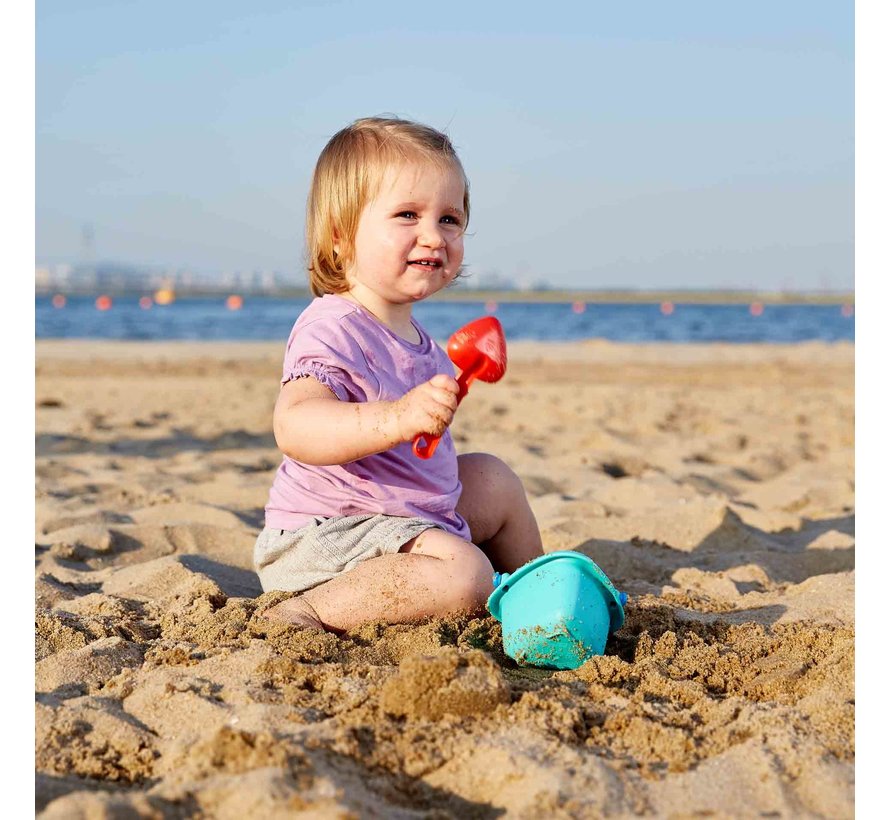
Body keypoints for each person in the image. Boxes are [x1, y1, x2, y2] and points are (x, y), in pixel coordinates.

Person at [256, 116, 543, 631]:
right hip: (327, 537)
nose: (433, 236)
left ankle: (535, 593)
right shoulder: (333, 325)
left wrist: (420, 417)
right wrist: (396, 417)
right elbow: (295, 426)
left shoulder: (423, 344)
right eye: (408, 214)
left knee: (495, 478)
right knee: (465, 576)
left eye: (450, 220)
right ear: (341, 238)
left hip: (402, 518)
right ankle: (307, 611)